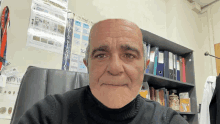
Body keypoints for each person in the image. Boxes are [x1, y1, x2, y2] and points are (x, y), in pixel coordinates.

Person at [17, 19, 188, 124]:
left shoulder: (167, 120)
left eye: (129, 55)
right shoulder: (47, 114)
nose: (114, 68)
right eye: (100, 55)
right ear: (87, 65)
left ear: (144, 67)